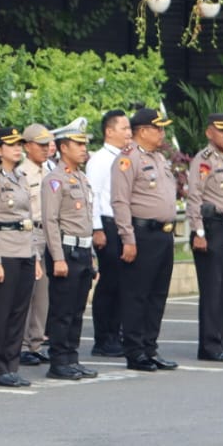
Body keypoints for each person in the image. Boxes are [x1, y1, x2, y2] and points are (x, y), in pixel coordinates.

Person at [110, 108, 179, 372]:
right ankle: (135, 350)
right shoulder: (128, 159)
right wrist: (128, 238)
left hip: (163, 234)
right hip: (141, 234)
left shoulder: (159, 158)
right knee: (136, 295)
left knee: (157, 295)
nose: (162, 133)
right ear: (142, 131)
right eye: (157, 128)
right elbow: (120, 200)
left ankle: (150, 347)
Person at [0, 127, 38, 387]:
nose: (18, 148)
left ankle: (12, 365)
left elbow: (28, 219)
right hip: (5, 251)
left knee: (18, 313)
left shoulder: (20, 177)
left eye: (19, 144)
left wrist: (34, 255)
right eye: (11, 144)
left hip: (24, 250)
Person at [43, 122, 101, 380]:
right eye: (78, 144)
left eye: (85, 144)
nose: (83, 148)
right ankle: (58, 361)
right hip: (65, 251)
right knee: (62, 311)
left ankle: (72, 357)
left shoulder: (80, 177)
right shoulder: (55, 180)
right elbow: (50, 221)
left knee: (77, 310)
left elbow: (87, 221)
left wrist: (93, 257)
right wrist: (57, 257)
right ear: (63, 148)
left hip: (83, 250)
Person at [184, 113, 223, 362]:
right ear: (210, 133)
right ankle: (210, 346)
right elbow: (194, 197)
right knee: (213, 290)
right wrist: (198, 231)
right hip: (212, 228)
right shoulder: (204, 160)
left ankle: (222, 341)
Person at [87, 110, 130, 357]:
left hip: (124, 225)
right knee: (110, 284)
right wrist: (96, 229)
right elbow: (92, 196)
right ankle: (104, 338)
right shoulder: (101, 160)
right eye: (123, 128)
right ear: (109, 131)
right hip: (107, 224)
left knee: (124, 284)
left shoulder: (126, 157)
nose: (128, 133)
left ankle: (118, 332)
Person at [18, 123, 56, 366]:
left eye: (47, 145)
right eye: (40, 145)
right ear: (27, 146)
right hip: (30, 234)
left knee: (43, 295)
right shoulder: (22, 173)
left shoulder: (50, 171)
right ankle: (22, 344)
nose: (45, 150)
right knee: (27, 293)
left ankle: (35, 342)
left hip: (50, 233)